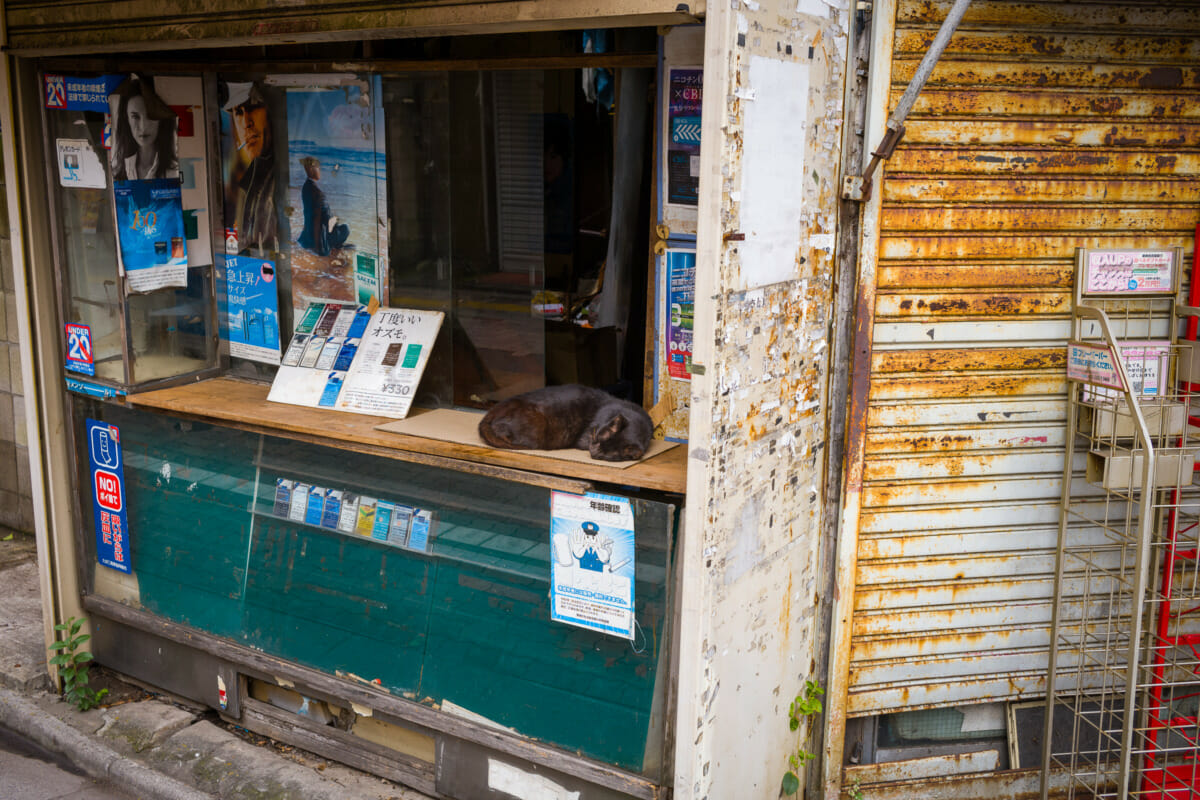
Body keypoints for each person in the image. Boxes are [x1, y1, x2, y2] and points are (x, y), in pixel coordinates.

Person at [223, 81, 278, 255]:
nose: (246, 122)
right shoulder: (246, 183)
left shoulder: (280, 177)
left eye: (253, 108)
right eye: (238, 112)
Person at [110, 77, 178, 181]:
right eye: (135, 117)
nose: (143, 126)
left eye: (150, 117)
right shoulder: (118, 170)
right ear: (126, 120)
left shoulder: (175, 170)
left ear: (161, 120)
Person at [297, 156, 349, 257]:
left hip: (309, 233)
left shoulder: (306, 187)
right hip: (321, 234)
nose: (320, 171)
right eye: (318, 168)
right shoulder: (318, 193)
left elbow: (308, 213)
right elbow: (319, 219)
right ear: (312, 170)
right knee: (346, 229)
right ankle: (334, 245)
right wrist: (318, 245)